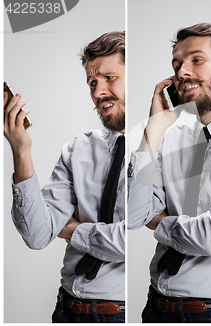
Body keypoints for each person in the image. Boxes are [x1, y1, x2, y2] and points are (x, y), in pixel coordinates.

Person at [127, 23, 211, 323]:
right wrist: (153, 131)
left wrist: (157, 221)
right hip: (156, 305)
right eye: (177, 64)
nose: (182, 72)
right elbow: (132, 214)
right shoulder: (170, 135)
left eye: (196, 60)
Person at [3, 31, 126, 323]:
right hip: (67, 309)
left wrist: (72, 230)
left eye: (109, 78)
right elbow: (37, 234)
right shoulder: (77, 149)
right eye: (92, 82)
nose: (98, 92)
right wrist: (21, 150)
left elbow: (126, 241)